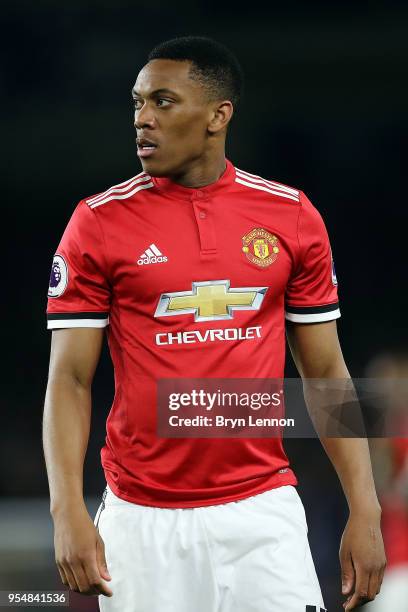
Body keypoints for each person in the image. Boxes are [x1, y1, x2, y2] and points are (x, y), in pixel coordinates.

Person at [42, 35, 386, 612]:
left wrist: (366, 507)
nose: (142, 119)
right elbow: (69, 380)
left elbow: (327, 370)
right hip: (141, 519)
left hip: (262, 514)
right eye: (136, 103)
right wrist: (66, 508)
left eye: (163, 102)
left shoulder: (291, 217)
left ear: (217, 116)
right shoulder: (97, 223)